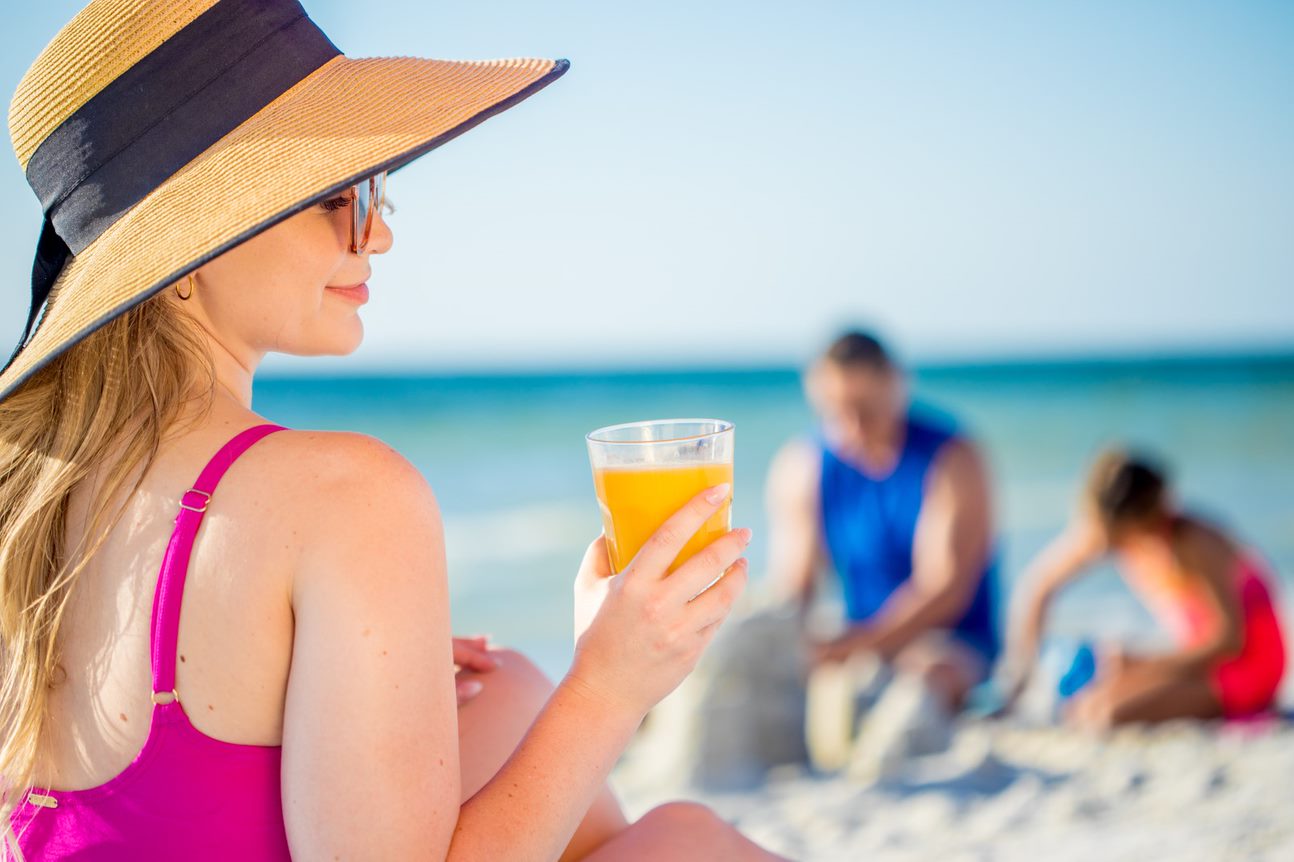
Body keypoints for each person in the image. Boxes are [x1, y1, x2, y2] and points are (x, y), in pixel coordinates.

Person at [0, 2, 784, 859]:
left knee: (508, 689)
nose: (376, 233)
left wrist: (324, 661)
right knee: (685, 840)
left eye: (374, 191)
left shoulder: (28, 501)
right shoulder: (345, 496)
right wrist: (612, 682)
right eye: (335, 198)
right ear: (190, 250)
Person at [766, 330, 999, 771]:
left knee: (926, 671)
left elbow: (944, 590)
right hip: (860, 635)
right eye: (837, 412)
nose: (851, 426)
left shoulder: (952, 458)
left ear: (895, 386)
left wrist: (859, 647)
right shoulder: (805, 464)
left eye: (864, 410)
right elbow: (794, 589)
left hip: (951, 639)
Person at [1005, 449, 1287, 728]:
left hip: (1247, 666)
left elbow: (1228, 641)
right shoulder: (1119, 533)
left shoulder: (1192, 541)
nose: (1105, 546)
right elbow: (1038, 588)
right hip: (1201, 661)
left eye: (1112, 537)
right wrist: (1025, 674)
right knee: (1088, 705)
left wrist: (1142, 662)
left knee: (1108, 712)